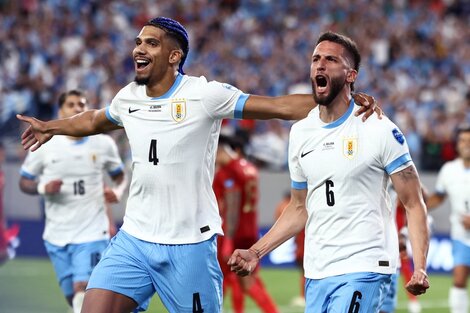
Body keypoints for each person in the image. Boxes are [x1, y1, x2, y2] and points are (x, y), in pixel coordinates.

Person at [17, 17, 378, 313]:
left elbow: (281, 107)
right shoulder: (128, 97)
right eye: (138, 42)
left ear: (174, 56)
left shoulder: (205, 95)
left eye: (151, 43)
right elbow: (94, 120)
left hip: (189, 246)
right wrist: (51, 127)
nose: (139, 48)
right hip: (134, 241)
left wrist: (343, 100)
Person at [229, 31, 430, 312]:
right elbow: (300, 207)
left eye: (331, 60)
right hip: (317, 271)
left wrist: (420, 266)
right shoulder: (300, 133)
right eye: (315, 59)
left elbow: (413, 202)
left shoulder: (379, 128)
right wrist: (256, 251)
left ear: (351, 75)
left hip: (366, 266)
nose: (320, 65)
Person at [18, 90, 127, 313]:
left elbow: (120, 176)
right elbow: (23, 182)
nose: (78, 108)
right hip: (56, 234)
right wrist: (42, 188)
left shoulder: (103, 143)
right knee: (74, 299)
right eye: (71, 104)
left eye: (82, 104)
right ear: (61, 111)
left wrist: (118, 191)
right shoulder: (45, 145)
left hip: (92, 232)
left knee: (84, 289)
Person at [214, 135, 278, 313]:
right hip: (250, 230)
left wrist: (228, 239)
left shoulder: (228, 171)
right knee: (245, 278)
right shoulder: (249, 168)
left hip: (232, 232)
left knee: (222, 277)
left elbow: (232, 205)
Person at [426, 125, 470, 313]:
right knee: (459, 280)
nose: (466, 144)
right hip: (461, 235)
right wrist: (417, 205)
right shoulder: (449, 169)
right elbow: (439, 196)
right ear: (457, 144)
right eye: (462, 141)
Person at [274, 191, 306, 307]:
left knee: (305, 272)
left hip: (303, 247)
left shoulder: (287, 207)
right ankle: (304, 296)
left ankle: (304, 296)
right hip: (303, 246)